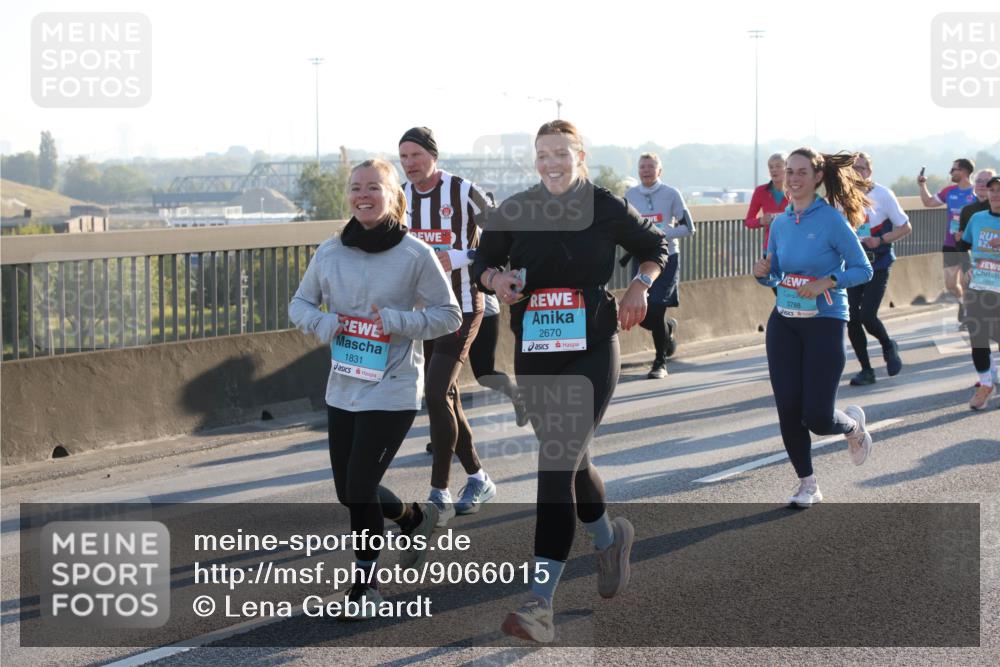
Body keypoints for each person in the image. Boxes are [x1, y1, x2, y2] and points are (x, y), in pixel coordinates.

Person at [473, 120, 669, 643]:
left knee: (555, 461)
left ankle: (539, 604)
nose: (552, 162)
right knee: (571, 459)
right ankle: (608, 538)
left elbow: (655, 247)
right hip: (536, 350)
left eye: (561, 152)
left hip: (592, 346)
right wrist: (499, 281)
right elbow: (481, 262)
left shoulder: (604, 204)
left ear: (580, 156)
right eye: (543, 154)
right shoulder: (515, 209)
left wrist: (638, 287)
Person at [288, 158, 462, 618]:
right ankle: (413, 518)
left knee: (361, 486)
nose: (362, 195)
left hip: (393, 387)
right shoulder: (329, 252)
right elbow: (299, 303)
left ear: (392, 196)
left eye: (373, 187)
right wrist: (324, 322)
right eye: (355, 187)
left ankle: (364, 588)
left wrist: (398, 322)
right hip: (343, 387)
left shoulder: (415, 254)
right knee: (349, 490)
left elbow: (450, 315)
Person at [752, 148, 875, 508]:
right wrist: (762, 274)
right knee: (788, 407)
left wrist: (828, 281)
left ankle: (852, 427)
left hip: (824, 321)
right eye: (789, 172)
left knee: (819, 418)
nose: (793, 178)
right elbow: (776, 275)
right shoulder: (780, 223)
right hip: (785, 322)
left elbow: (862, 269)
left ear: (817, 177)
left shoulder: (832, 220)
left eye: (802, 172)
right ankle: (808, 483)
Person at [398, 127, 496, 522]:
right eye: (403, 157)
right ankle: (478, 478)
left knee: (436, 393)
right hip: (424, 313)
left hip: (463, 305)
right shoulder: (400, 197)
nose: (409, 164)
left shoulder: (463, 190)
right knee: (447, 395)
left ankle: (438, 491)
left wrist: (458, 258)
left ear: (433, 156)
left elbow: (505, 235)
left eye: (416, 156)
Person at [622, 152, 695, 379]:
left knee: (655, 306)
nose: (646, 170)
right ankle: (668, 329)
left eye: (650, 166)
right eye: (642, 166)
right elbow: (624, 228)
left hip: (667, 258)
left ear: (659, 171)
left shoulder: (671, 194)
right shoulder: (630, 195)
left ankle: (660, 363)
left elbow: (688, 228)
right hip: (641, 259)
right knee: (642, 312)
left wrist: (663, 233)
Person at [846, 153, 912, 386]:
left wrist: (881, 239)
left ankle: (888, 345)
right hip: (853, 264)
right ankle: (866, 370)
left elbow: (905, 227)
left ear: (870, 171)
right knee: (851, 317)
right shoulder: (843, 196)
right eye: (853, 168)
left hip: (878, 263)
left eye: (862, 168)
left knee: (867, 315)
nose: (857, 172)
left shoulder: (883, 194)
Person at [918, 158, 977, 324]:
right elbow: (928, 202)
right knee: (951, 284)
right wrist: (922, 186)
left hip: (969, 246)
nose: (950, 172)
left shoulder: (976, 193)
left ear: (964, 171)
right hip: (951, 244)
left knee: (968, 282)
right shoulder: (949, 191)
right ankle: (962, 303)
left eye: (954, 169)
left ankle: (970, 315)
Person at [959, 174, 1000, 410]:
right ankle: (985, 384)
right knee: (978, 337)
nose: (996, 195)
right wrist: (966, 269)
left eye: (999, 191)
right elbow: (962, 245)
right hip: (979, 287)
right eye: (992, 190)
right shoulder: (977, 218)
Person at [745, 152, 789, 252]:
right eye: (771, 167)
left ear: (787, 168)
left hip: (793, 247)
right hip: (770, 248)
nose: (774, 170)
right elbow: (748, 221)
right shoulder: (760, 191)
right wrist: (761, 221)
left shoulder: (796, 190)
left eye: (778, 166)